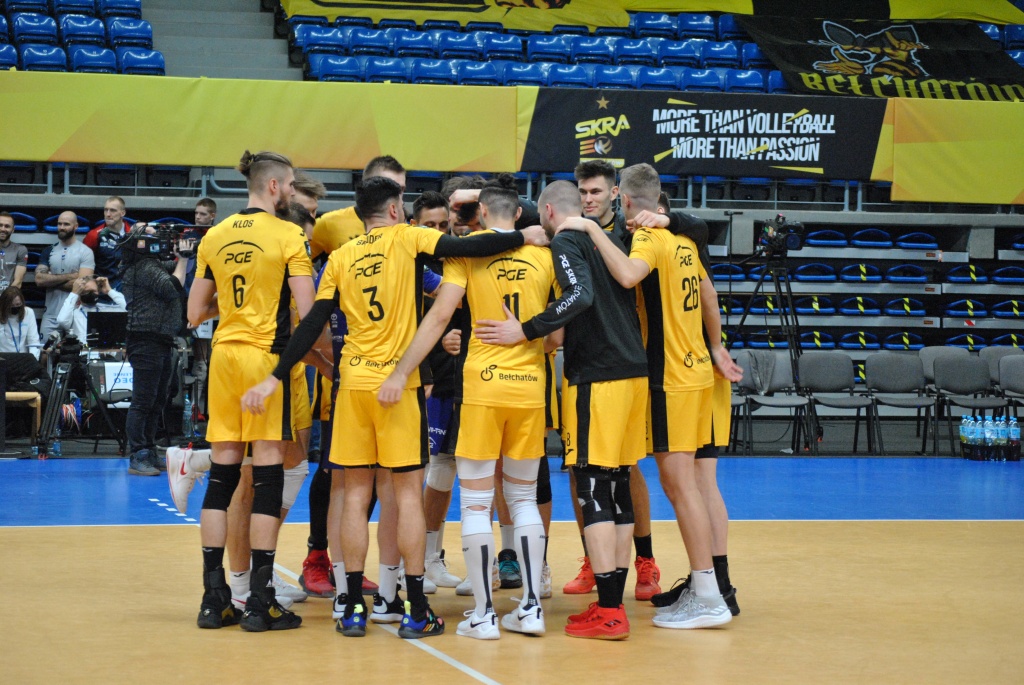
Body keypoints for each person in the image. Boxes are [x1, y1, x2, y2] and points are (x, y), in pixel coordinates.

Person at [242, 176, 548, 639]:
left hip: (352, 386)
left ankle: (351, 606)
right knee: (405, 495)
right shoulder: (409, 238)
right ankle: (416, 607)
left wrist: (274, 376)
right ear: (393, 209)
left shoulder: (342, 256)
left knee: (355, 494)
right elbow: (465, 247)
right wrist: (521, 236)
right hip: (397, 386)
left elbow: (311, 323)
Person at [561, 163, 742, 630]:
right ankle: (714, 586)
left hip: (669, 377)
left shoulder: (648, 237)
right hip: (700, 372)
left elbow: (627, 275)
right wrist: (716, 347)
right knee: (700, 484)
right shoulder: (684, 238)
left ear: (623, 200)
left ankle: (708, 595)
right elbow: (709, 296)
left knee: (681, 487)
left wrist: (589, 230)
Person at [378, 174, 557, 639]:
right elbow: (556, 333)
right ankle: (531, 608)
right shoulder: (545, 255)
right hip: (530, 388)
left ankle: (484, 614)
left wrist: (402, 370)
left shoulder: (466, 255)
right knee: (523, 499)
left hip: (482, 387)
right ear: (518, 214)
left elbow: (441, 314)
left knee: (476, 503)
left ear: (482, 215)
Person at [476, 180, 649, 640]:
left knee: (593, 485)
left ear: (549, 211)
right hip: (633, 371)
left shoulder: (568, 241)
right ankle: (611, 604)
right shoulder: (608, 238)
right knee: (617, 486)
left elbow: (580, 295)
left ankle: (610, 611)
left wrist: (526, 329)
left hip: (599, 375)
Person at [187, 150, 314, 633]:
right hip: (264, 359)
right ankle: (260, 602)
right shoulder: (287, 235)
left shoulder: (214, 235)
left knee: (221, 480)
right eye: (291, 184)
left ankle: (214, 599)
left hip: (223, 358)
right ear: (276, 186)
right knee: (266, 480)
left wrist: (236, 303)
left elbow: (194, 313)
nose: (292, 192)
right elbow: (308, 314)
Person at [562, 160, 661, 602]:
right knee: (582, 468)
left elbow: (693, 227)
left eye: (596, 192)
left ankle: (644, 560)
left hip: (626, 363)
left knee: (624, 470)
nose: (588, 199)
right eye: (582, 192)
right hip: (589, 364)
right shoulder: (568, 235)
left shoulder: (635, 233)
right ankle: (596, 560)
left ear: (616, 193)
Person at [120, 228, 189, 476]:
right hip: (145, 340)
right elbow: (173, 287)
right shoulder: (145, 268)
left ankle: (148, 449)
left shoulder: (150, 265)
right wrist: (183, 259)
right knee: (143, 401)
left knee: (158, 400)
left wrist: (183, 254)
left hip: (160, 340)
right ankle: (138, 453)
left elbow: (174, 266)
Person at [309, 155, 406, 258]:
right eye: (390, 189)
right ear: (368, 186)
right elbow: (300, 259)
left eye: (402, 190)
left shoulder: (408, 229)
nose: (398, 196)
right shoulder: (329, 224)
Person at [35, 212, 95, 337]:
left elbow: (83, 286)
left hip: (75, 314)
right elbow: (39, 280)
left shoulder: (85, 252)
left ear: (76, 226)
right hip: (51, 314)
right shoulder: (48, 250)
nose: (62, 227)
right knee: (45, 349)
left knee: (76, 349)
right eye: (59, 224)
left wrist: (51, 280)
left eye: (66, 224)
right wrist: (71, 276)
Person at [54, 275, 126, 344]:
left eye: (93, 291)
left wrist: (109, 291)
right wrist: (74, 293)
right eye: (86, 291)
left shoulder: (105, 310)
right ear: (80, 293)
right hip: (82, 351)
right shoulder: (73, 313)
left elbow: (127, 309)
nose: (90, 293)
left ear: (98, 292)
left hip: (103, 351)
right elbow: (62, 320)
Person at [87, 197, 130, 289]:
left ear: (123, 213)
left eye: (113, 210)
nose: (108, 214)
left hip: (126, 291)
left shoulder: (132, 234)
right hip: (102, 291)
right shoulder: (94, 235)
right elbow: (85, 266)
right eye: (106, 210)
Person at [0, 286, 40, 358]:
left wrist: (34, 359)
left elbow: (33, 341)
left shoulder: (28, 312)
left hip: (23, 359)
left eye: (18, 304)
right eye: (11, 305)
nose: (15, 307)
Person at [0, 212, 28, 291]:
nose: (3, 229)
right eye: (0, 225)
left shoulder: (20, 250)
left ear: (13, 230)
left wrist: (5, 297)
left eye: (7, 226)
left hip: (9, 296)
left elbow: (18, 282)